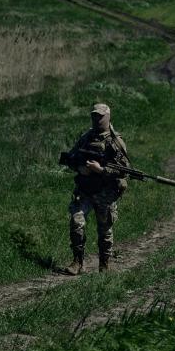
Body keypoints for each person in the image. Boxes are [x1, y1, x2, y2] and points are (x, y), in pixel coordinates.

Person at [63, 103, 129, 275]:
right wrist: (79, 168)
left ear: (108, 117)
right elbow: (70, 157)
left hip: (105, 192)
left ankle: (104, 265)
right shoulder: (86, 137)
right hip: (84, 190)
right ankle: (78, 262)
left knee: (105, 229)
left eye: (100, 116)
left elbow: (124, 170)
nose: (97, 119)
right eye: (94, 116)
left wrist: (101, 170)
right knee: (76, 222)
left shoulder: (115, 142)